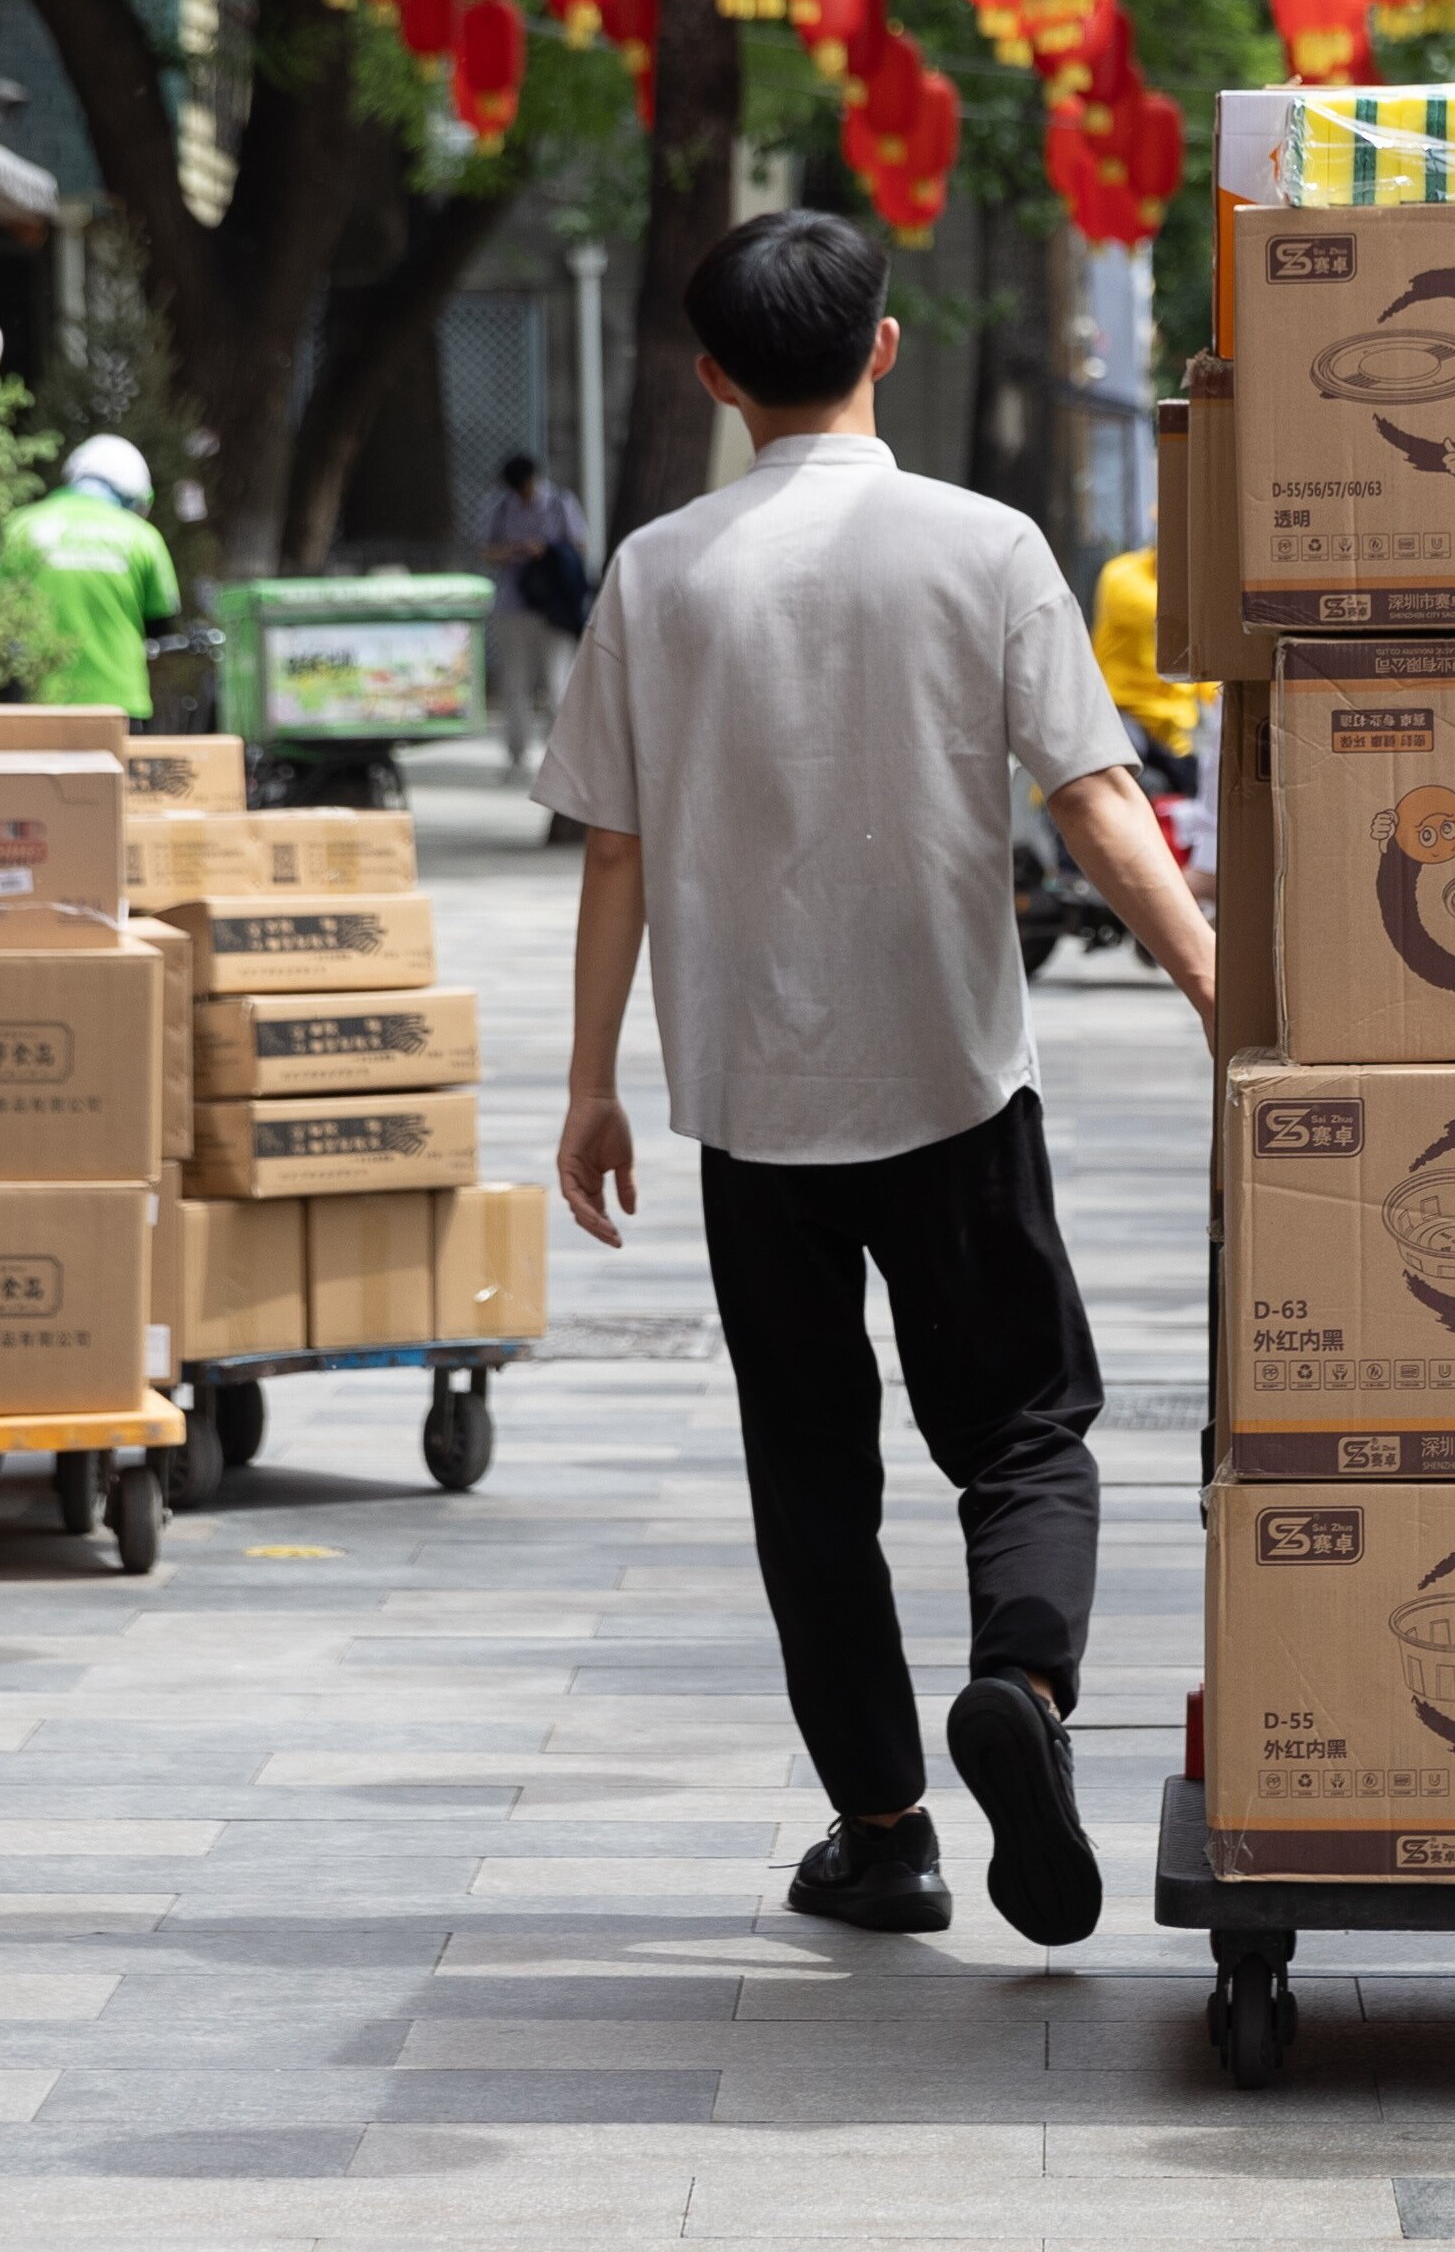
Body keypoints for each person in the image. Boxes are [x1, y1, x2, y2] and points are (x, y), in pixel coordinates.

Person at [537, 211, 1214, 1951]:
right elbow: (1091, 797)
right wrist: (1215, 981)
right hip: (951, 1074)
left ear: (714, 378)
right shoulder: (984, 544)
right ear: (884, 347)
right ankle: (1022, 1682)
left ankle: (884, 1829)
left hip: (752, 1098)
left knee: (808, 1470)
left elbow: (612, 846)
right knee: (1023, 1425)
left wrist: (589, 1083)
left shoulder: (654, 572)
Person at [0, 435, 177, 719]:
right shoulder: (143, 537)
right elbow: (161, 624)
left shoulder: (20, 527)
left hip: (35, 703)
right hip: (118, 704)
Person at [481, 452, 596, 790]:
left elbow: (580, 543)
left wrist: (546, 550)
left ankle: (562, 760)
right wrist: (515, 551)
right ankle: (517, 757)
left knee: (559, 683)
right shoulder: (501, 508)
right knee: (515, 685)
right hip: (514, 606)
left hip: (554, 609)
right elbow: (485, 549)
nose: (524, 495)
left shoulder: (560, 503)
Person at [1080, 540, 1200, 787]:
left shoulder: (1193, 589)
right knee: (1123, 772)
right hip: (1122, 714)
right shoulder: (1122, 575)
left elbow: (1207, 679)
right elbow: (1165, 613)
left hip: (1171, 732)